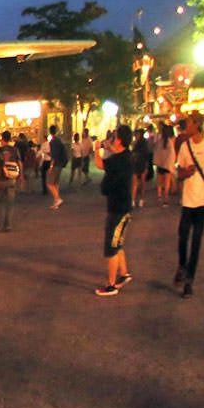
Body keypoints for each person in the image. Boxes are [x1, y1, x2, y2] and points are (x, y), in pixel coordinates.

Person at [173, 114, 204, 299]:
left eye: (189, 123)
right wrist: (185, 172)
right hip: (187, 202)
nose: (186, 126)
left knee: (196, 242)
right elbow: (178, 174)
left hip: (201, 202)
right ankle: (182, 265)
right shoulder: (184, 146)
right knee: (183, 236)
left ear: (196, 125)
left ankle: (189, 281)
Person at [95, 124, 136, 297]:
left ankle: (111, 285)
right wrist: (107, 146)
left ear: (119, 140)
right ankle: (124, 274)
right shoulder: (126, 156)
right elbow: (114, 152)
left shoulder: (117, 160)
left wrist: (96, 150)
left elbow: (100, 164)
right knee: (118, 243)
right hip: (124, 207)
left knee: (112, 246)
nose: (112, 139)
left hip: (117, 209)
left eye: (114, 137)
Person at [0, 131, 24, 232]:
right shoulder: (15, 150)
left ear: (2, 139)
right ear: (10, 139)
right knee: (10, 203)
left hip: (1, 179)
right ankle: (8, 224)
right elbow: (19, 163)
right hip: (12, 179)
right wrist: (21, 176)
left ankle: (0, 223)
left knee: (0, 202)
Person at [153, 121, 177, 206]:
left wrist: (157, 162)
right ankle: (165, 198)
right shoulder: (170, 142)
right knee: (167, 183)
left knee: (160, 181)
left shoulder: (160, 142)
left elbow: (156, 152)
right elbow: (172, 154)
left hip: (160, 164)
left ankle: (159, 196)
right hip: (167, 164)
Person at [45, 124, 67, 209]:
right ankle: (56, 201)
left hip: (56, 164)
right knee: (56, 183)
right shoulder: (59, 141)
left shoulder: (53, 142)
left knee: (50, 183)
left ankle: (57, 198)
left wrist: (51, 166)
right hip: (60, 164)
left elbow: (54, 155)